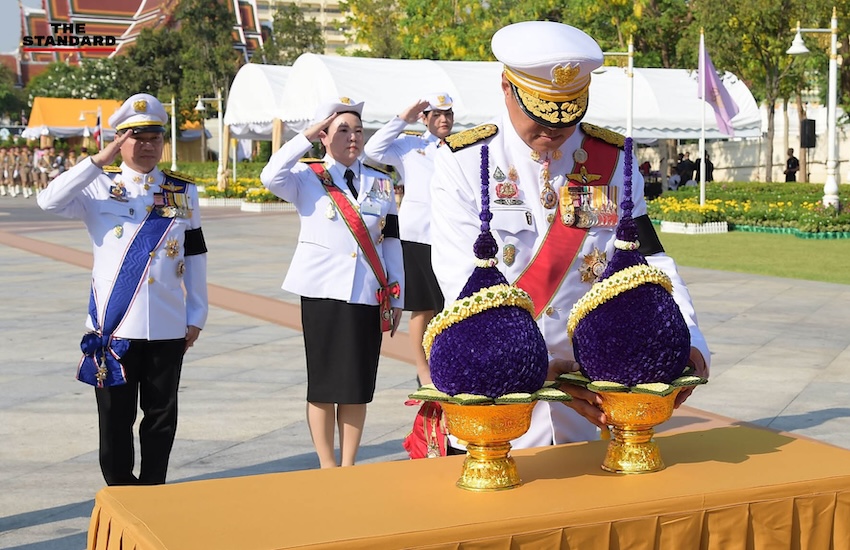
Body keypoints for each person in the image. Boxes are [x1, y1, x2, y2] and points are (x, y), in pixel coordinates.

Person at [430, 21, 710, 449]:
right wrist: (533, 364)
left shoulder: (612, 160)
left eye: (566, 113)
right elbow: (461, 284)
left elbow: (649, 259)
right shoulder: (466, 162)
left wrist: (686, 339)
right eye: (539, 113)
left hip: (597, 393)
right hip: (501, 392)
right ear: (507, 87)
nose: (552, 129)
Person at [37, 93, 209, 486]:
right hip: (116, 329)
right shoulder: (98, 189)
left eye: (154, 138)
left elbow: (195, 255)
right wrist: (98, 160)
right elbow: (47, 200)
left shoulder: (182, 191)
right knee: (115, 418)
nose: (147, 146)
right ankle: (120, 489)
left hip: (167, 323)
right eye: (136, 137)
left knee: (162, 417)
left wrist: (196, 314)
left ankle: (153, 491)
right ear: (120, 141)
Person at [260, 97, 404, 468]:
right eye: (343, 130)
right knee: (324, 383)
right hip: (323, 292)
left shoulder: (380, 182)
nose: (353, 138)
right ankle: (326, 464)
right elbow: (270, 175)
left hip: (368, 292)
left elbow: (391, 240)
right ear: (323, 136)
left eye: (358, 130)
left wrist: (397, 292)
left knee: (356, 384)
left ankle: (349, 463)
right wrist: (306, 133)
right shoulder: (306, 178)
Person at [363, 93, 454, 386]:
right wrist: (404, 117)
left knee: (449, 305)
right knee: (423, 306)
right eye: (436, 114)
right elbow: (373, 149)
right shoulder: (409, 146)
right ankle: (423, 370)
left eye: (448, 114)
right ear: (424, 118)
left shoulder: (459, 148)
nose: (444, 120)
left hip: (450, 238)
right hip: (417, 238)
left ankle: (446, 363)